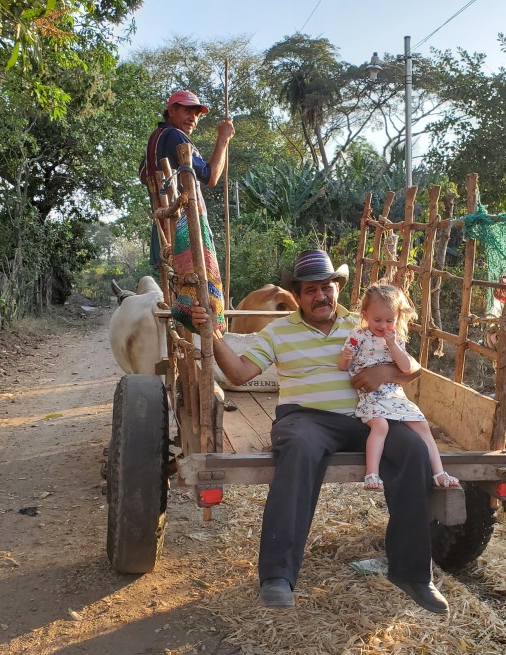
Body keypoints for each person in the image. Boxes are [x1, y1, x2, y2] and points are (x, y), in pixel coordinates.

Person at [189, 249, 449, 615]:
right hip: (305, 418)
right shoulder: (278, 331)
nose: (321, 296)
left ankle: (413, 574)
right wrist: (213, 335)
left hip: (367, 416)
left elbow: (412, 368)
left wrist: (386, 373)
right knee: (297, 449)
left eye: (327, 287)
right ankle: (278, 576)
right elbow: (239, 374)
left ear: (337, 288)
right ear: (296, 295)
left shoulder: (363, 323)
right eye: (310, 290)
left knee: (412, 450)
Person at [339, 282, 460, 492]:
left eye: (389, 320)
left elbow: (405, 368)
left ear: (397, 318)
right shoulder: (358, 336)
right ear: (365, 315)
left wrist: (393, 345)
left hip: (394, 395)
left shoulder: (396, 339)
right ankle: (372, 474)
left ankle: (439, 472)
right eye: (377, 320)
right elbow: (343, 366)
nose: (383, 325)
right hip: (371, 396)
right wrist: (346, 357)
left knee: (423, 426)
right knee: (381, 426)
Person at [139, 89, 235, 332]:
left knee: (179, 283)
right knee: (201, 285)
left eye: (196, 114)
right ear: (171, 110)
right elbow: (211, 176)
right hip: (184, 225)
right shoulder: (175, 136)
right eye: (187, 111)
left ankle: (186, 323)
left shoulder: (156, 138)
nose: (193, 118)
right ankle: (209, 328)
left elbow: (143, 175)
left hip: (164, 224)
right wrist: (223, 139)